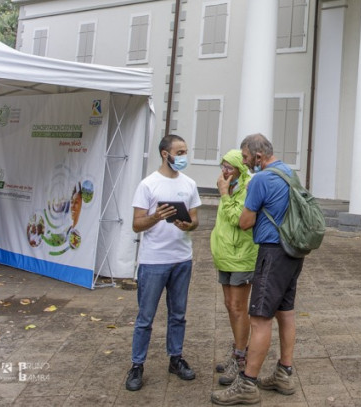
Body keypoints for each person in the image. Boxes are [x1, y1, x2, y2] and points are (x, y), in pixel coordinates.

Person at [211, 133, 304, 405]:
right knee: (285, 313)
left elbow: (244, 222)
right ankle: (284, 373)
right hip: (292, 252)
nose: (244, 162)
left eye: (246, 157)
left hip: (272, 252)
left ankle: (248, 384)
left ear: (259, 156)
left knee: (260, 318)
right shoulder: (289, 172)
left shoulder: (261, 179)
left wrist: (226, 195)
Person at [125, 134, 201, 392]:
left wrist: (187, 224)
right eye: (179, 152)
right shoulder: (148, 185)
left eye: (185, 152)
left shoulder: (189, 184)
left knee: (178, 315)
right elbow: (137, 224)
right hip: (153, 261)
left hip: (182, 259)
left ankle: (176, 359)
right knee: (145, 317)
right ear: (164, 154)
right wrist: (157, 216)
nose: (183, 157)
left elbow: (195, 219)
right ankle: (137, 365)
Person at [211, 149, 257, 386]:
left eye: (229, 167)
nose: (224, 171)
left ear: (241, 167)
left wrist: (224, 194)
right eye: (223, 166)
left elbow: (238, 221)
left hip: (241, 256)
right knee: (230, 306)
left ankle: (241, 358)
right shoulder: (230, 186)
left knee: (239, 307)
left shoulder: (248, 187)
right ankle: (237, 350)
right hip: (225, 255)